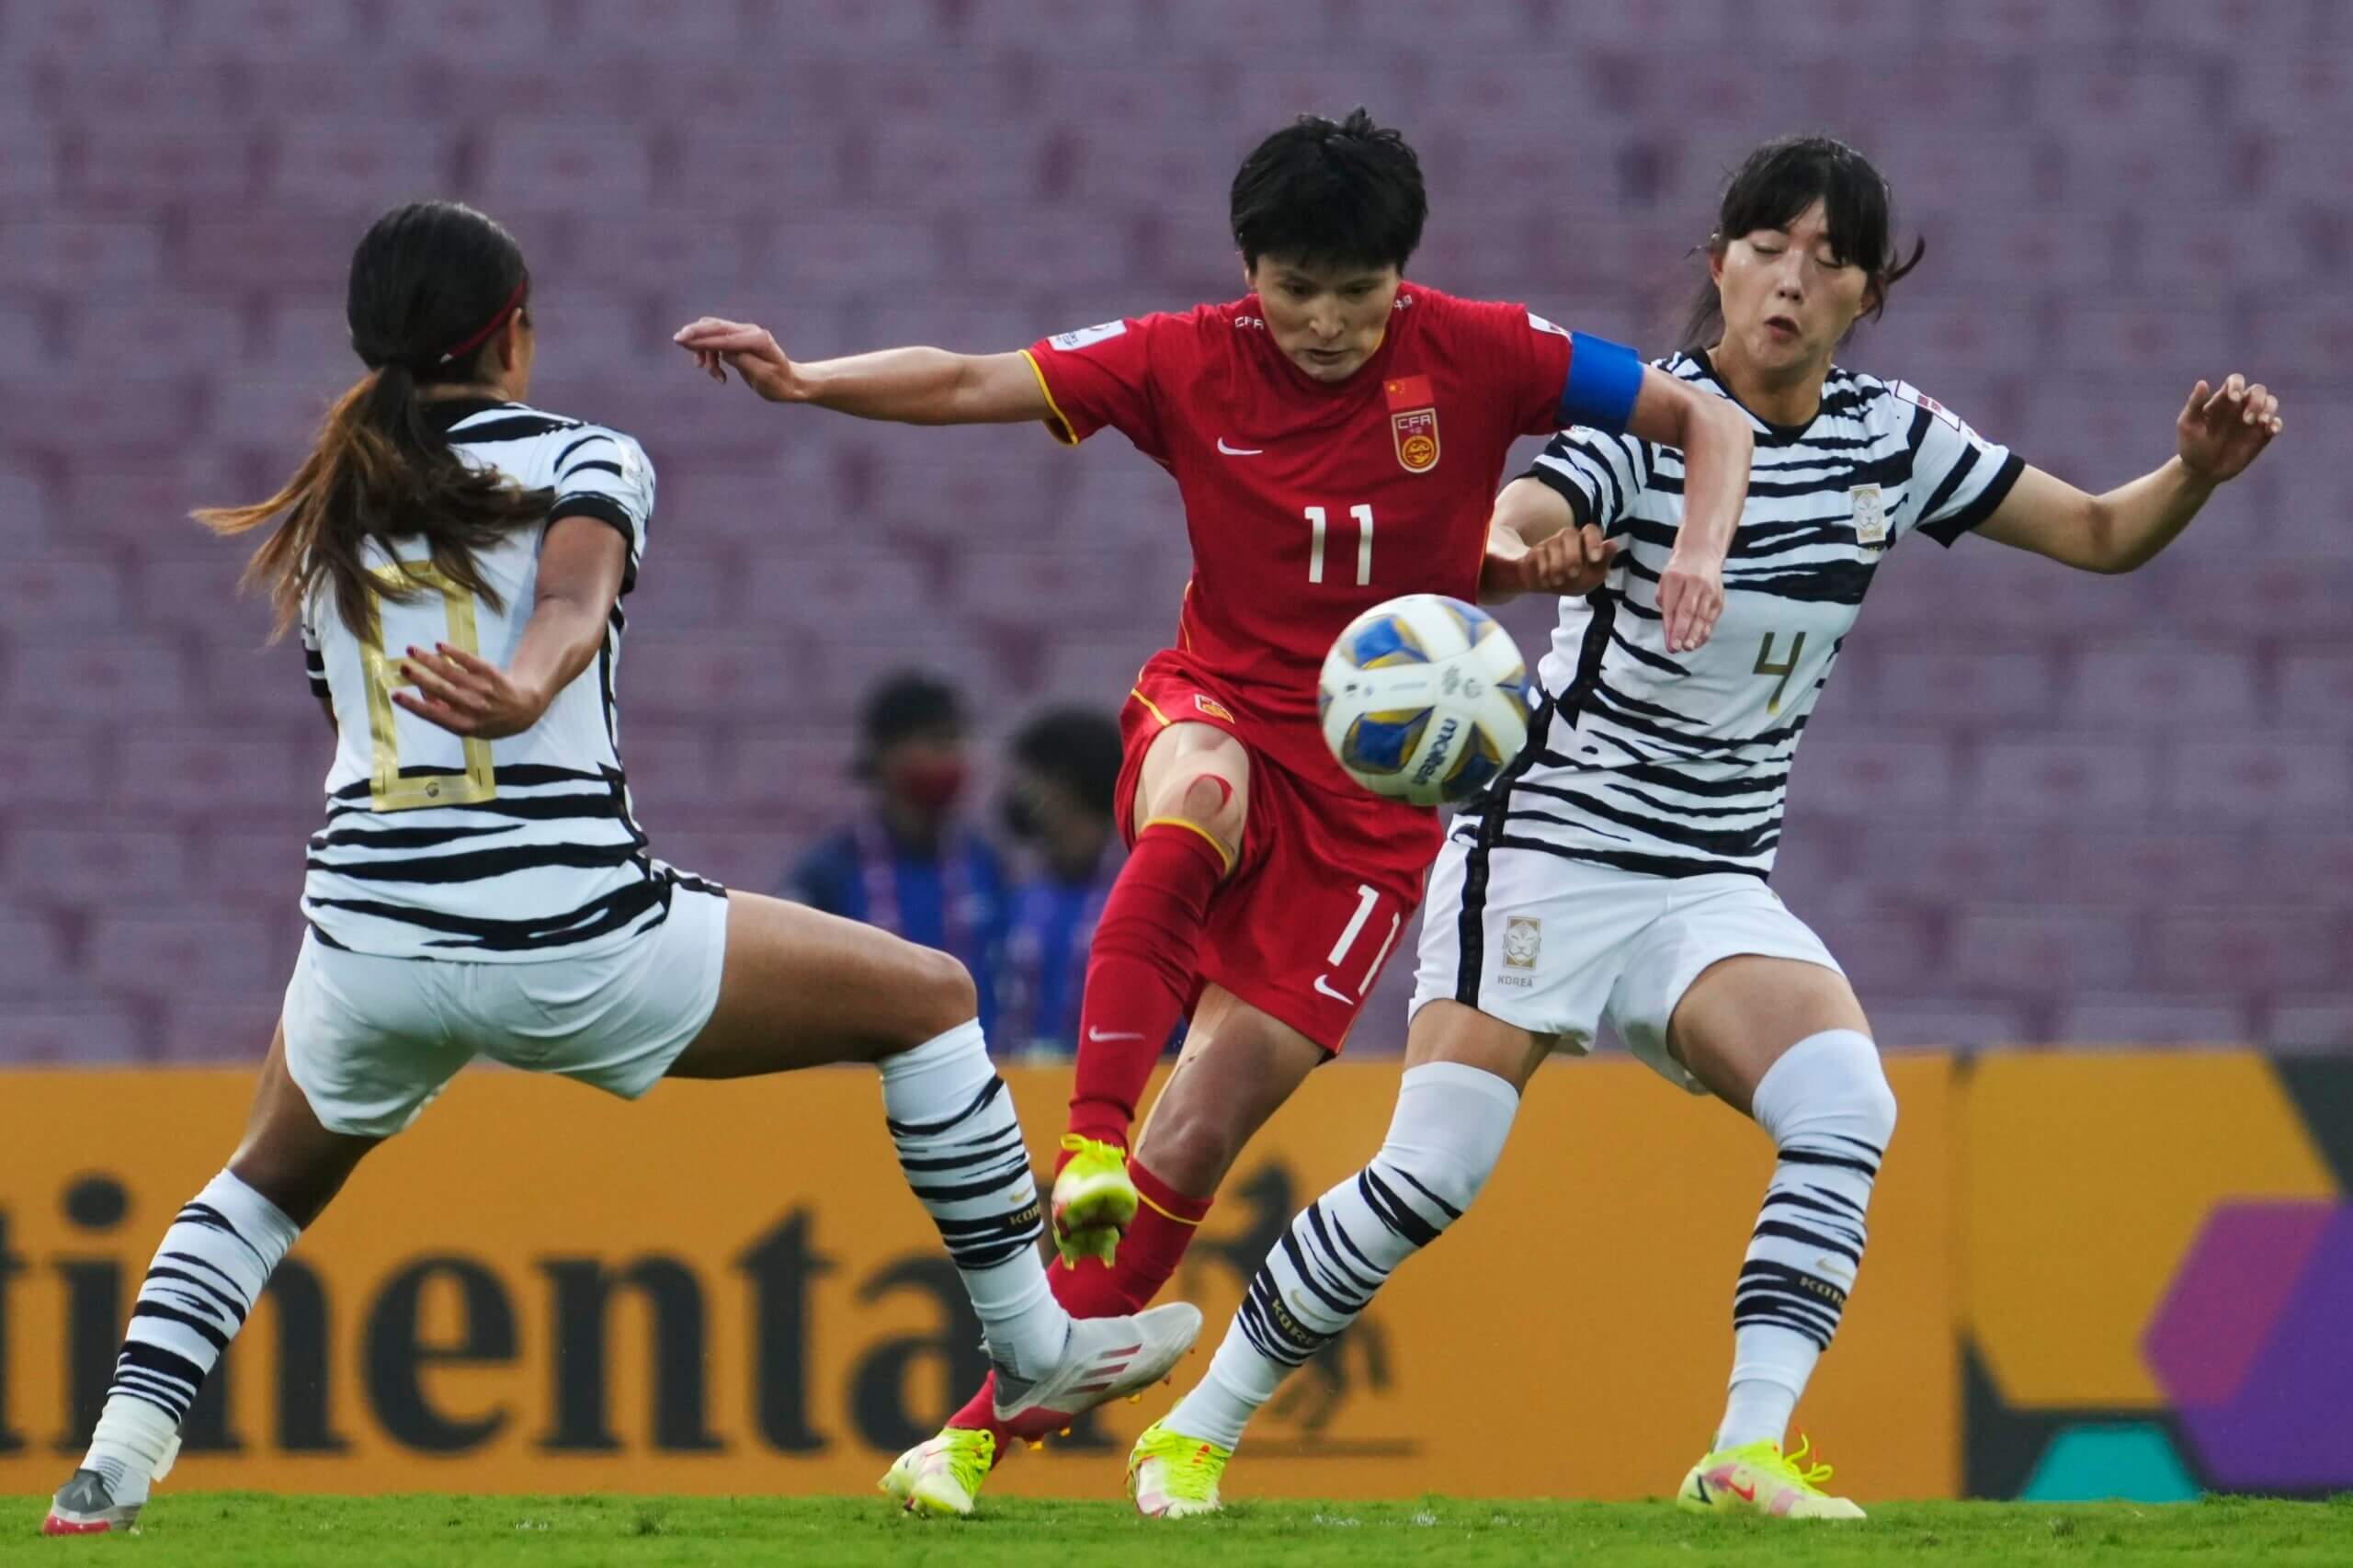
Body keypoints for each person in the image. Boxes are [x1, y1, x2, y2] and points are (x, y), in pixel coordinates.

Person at [1130, 133, 2284, 1521]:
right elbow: (1508, 522)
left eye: (1831, 258)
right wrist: (1527, 554)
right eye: (1769, 247)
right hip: (1549, 840)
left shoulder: (1892, 438)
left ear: (1869, 293)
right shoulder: (1650, 420)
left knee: (1844, 1102)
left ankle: (1744, 1447)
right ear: (1720, 261)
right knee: (1434, 1170)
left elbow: (2100, 532)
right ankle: (1194, 1431)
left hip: (1708, 878)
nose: (1794, 279)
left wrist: (2195, 475)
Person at [40, 200, 1199, 1538]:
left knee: (256, 1187)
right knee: (930, 997)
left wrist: (498, 703)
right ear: (513, 333)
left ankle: (109, 1466)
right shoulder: (587, 456)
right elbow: (570, 606)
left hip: (369, 947)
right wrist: (526, 690)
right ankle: (1035, 1343)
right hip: (571, 932)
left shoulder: (329, 504)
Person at [676, 107, 1754, 1517]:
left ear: (1400, 279)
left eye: (1354, 294)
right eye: (1293, 287)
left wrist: (1686, 555)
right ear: (1248, 268)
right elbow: (968, 381)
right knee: (1198, 799)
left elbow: (1704, 413)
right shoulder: (1185, 358)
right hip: (1225, 701)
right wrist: (809, 381)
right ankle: (1083, 1144)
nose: (1320, 321)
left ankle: (969, 1446)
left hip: (1375, 806)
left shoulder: (1482, 350)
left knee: (1208, 1135)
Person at [786, 670, 1009, 1033]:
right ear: (886, 754)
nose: (951, 758)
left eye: (956, 742)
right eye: (937, 743)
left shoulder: (986, 864)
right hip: (859, 1081)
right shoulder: (830, 871)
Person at [995, 708, 1126, 1058]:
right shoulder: (1018, 895)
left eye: (1031, 779)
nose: (1019, 794)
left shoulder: (1137, 894)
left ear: (1064, 785)